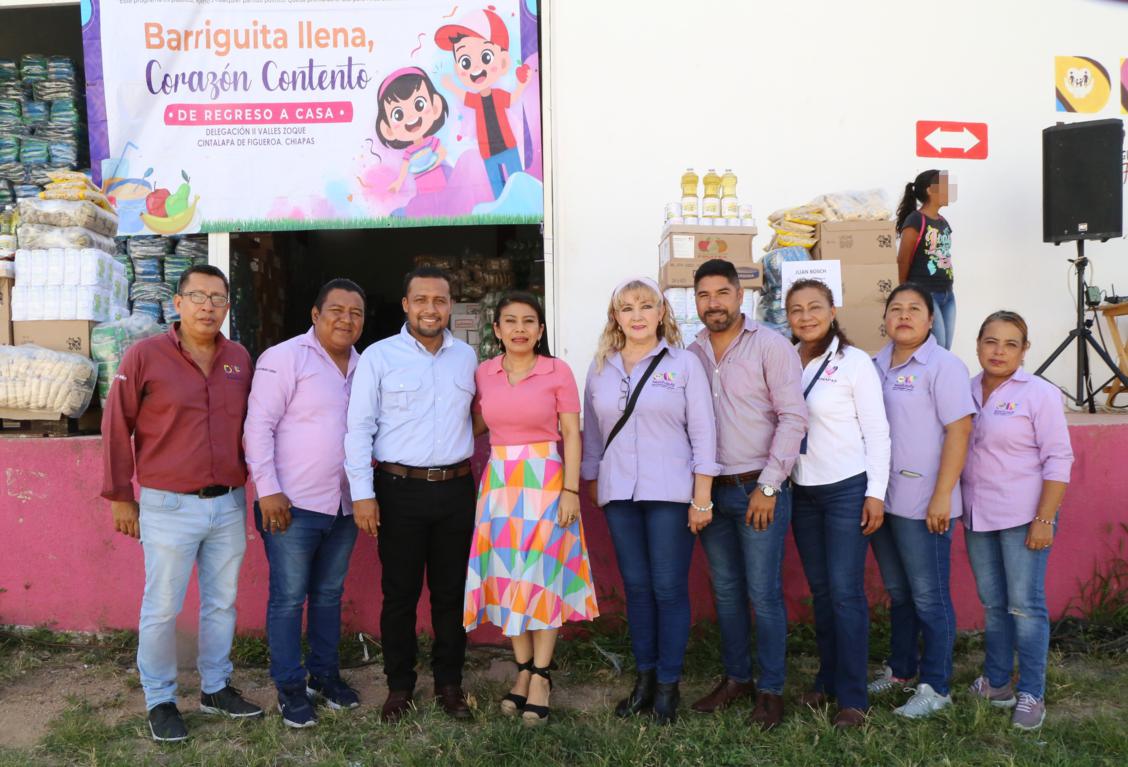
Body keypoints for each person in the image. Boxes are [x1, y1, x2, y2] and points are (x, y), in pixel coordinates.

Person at [102, 264, 263, 742]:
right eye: (198, 296)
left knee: (222, 603)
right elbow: (116, 425)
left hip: (227, 504)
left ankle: (215, 688)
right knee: (162, 607)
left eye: (218, 299)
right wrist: (120, 496)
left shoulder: (239, 359)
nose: (208, 307)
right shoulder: (145, 355)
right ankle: (160, 699)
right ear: (178, 303)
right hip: (168, 506)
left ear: (227, 306)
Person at [581, 276, 720, 725]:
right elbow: (593, 436)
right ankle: (643, 679)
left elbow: (703, 432)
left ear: (661, 313)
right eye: (627, 308)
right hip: (619, 494)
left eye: (645, 306)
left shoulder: (684, 364)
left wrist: (702, 497)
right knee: (637, 588)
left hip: (671, 493)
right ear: (615, 317)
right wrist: (592, 483)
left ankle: (668, 685)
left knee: (667, 587)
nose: (637, 316)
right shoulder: (600, 369)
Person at [343, 266, 478, 722]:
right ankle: (399, 686)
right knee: (399, 594)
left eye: (439, 300)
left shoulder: (467, 357)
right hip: (398, 491)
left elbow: (478, 416)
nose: (430, 309)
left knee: (451, 593)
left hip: (456, 489)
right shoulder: (379, 357)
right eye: (421, 300)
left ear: (450, 305)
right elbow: (358, 428)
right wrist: (363, 495)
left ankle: (449, 684)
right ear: (406, 305)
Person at [463, 291, 599, 726]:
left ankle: (541, 675)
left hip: (546, 482)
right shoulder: (484, 373)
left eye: (528, 321)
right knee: (508, 577)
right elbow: (474, 423)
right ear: (497, 330)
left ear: (540, 330)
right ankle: (522, 670)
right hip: (500, 485)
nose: (519, 329)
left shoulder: (558, 371)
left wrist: (571, 490)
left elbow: (572, 434)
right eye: (510, 321)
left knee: (542, 577)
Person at [688, 259, 808, 730]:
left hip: (760, 489)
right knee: (726, 591)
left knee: (763, 593)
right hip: (711, 494)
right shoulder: (691, 352)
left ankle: (771, 689)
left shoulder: (771, 346)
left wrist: (770, 484)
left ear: (741, 296)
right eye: (704, 295)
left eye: (722, 293)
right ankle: (737, 678)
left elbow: (793, 418)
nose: (713, 303)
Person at [243, 279, 366, 729]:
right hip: (291, 505)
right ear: (315, 315)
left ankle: (325, 676)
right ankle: (291, 688)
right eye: (337, 310)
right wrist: (268, 490)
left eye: (356, 312)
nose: (346, 319)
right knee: (289, 599)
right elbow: (258, 427)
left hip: (345, 505)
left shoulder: (366, 365)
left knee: (329, 595)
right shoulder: (284, 357)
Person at [784, 279, 890, 728]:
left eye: (815, 307)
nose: (806, 316)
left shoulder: (854, 362)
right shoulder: (785, 360)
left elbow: (878, 431)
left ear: (832, 312)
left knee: (846, 593)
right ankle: (827, 679)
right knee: (823, 591)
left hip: (847, 489)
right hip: (802, 491)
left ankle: (853, 697)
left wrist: (876, 493)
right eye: (796, 309)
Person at [868, 282, 975, 718]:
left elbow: (960, 430)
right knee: (900, 592)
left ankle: (936, 686)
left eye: (915, 309)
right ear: (885, 319)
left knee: (930, 597)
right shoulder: (873, 365)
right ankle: (901, 670)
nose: (904, 315)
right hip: (882, 498)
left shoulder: (943, 366)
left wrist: (942, 496)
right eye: (896, 308)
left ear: (932, 320)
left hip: (925, 502)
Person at [962, 311, 1073, 731]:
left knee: (1025, 607)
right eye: (991, 341)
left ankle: (1031, 691)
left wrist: (1045, 518)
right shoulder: (966, 389)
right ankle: (997, 683)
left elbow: (1059, 458)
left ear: (1024, 351)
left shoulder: (1039, 393)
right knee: (993, 604)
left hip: (1024, 516)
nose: (999, 351)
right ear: (978, 344)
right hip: (977, 514)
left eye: (1011, 344)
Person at [435, 8, 531, 198]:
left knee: (517, 178)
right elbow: (465, 97)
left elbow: (512, 99)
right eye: (465, 62)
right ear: (458, 68)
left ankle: (520, 200)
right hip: (487, 150)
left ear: (503, 62)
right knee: (497, 184)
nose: (476, 67)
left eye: (486, 57)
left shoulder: (498, 95)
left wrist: (522, 85)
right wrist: (451, 86)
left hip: (508, 145)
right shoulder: (476, 100)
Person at [895, 169, 956, 350]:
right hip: (925, 293)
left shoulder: (943, 222)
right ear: (930, 190)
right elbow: (903, 260)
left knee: (945, 349)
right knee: (937, 346)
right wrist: (904, 292)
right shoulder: (915, 220)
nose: (949, 190)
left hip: (947, 294)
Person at [375, 68, 450, 196]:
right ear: (388, 130)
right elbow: (404, 168)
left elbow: (442, 153)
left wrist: (432, 165)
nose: (411, 116)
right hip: (423, 186)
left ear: (435, 107)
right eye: (398, 115)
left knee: (444, 196)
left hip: (440, 180)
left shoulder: (431, 142)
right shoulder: (409, 152)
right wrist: (398, 182)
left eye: (419, 105)